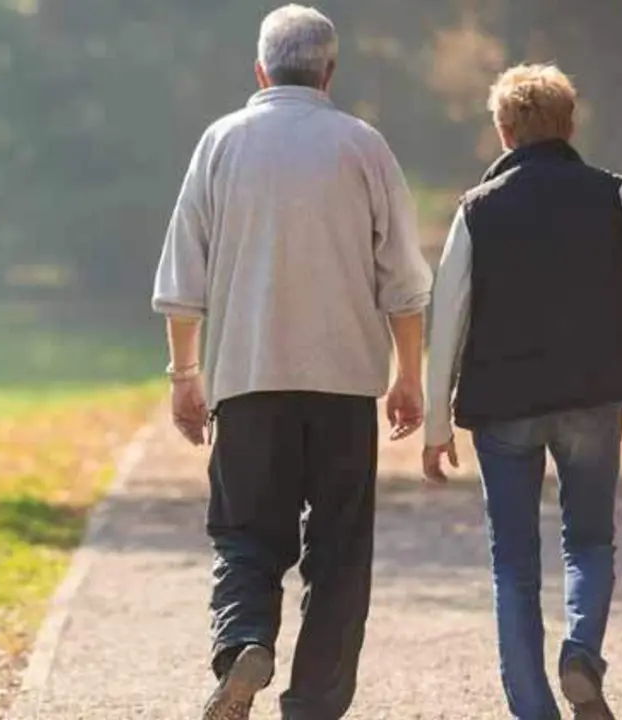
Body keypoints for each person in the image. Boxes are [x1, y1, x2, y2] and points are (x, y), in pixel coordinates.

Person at [152, 6, 432, 719]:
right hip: (344, 388)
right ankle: (313, 704)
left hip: (248, 381)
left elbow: (183, 278)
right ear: (329, 73)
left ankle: (244, 642)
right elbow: (403, 281)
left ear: (260, 71)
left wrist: (185, 377)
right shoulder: (363, 146)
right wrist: (408, 375)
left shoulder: (221, 143)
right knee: (340, 553)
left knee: (245, 533)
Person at [422, 64, 622, 720]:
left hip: (503, 405)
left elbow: (448, 317)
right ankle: (581, 655)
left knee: (513, 565)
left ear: (504, 130)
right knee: (591, 542)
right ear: (570, 126)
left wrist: (436, 423)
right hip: (593, 394)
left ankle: (534, 711)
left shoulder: (476, 210)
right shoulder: (612, 192)